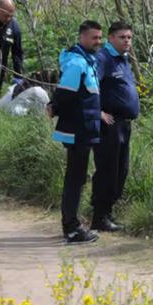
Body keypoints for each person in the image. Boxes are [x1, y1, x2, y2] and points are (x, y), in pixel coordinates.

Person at [47, 20, 103, 245]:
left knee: (78, 177)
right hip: (77, 130)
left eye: (100, 38)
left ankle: (72, 223)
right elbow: (65, 95)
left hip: (86, 129)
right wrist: (53, 107)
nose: (97, 42)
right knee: (74, 178)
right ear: (82, 37)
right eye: (93, 38)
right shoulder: (77, 64)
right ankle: (71, 227)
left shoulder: (89, 62)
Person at [91, 21, 140, 232]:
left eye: (129, 37)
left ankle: (107, 212)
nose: (127, 41)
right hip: (108, 125)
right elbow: (89, 86)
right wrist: (98, 112)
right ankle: (99, 216)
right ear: (110, 38)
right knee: (107, 170)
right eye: (122, 37)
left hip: (123, 124)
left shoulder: (123, 59)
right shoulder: (103, 59)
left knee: (121, 170)